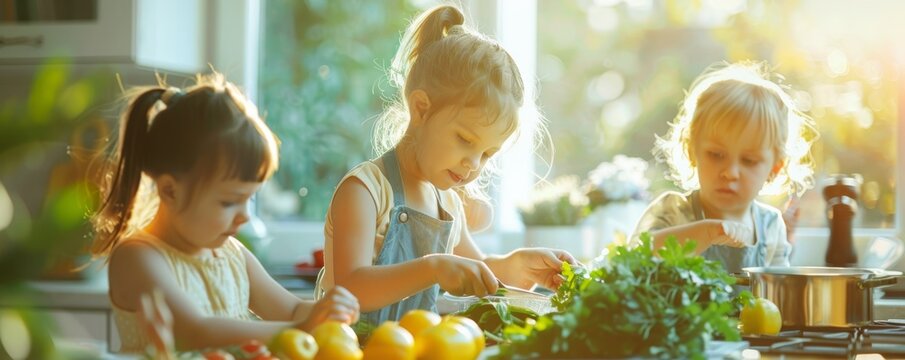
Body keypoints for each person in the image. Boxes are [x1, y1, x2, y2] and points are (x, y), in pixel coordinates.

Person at [316, 4, 576, 334]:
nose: (474, 164)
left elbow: (476, 270)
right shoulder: (364, 191)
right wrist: (433, 268)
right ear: (421, 109)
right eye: (465, 140)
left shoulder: (447, 202)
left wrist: (515, 265)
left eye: (487, 154)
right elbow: (351, 290)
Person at [90, 73, 359, 353]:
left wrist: (328, 312)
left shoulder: (233, 254)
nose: (244, 216)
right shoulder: (138, 257)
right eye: (230, 202)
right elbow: (194, 331)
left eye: (249, 199)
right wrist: (299, 329)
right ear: (170, 191)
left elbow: (291, 310)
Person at [630, 62, 816, 274]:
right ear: (692, 151)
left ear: (774, 168)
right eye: (716, 155)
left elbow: (778, 295)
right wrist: (706, 233)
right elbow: (635, 259)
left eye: (749, 161)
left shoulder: (771, 227)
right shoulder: (673, 211)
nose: (730, 172)